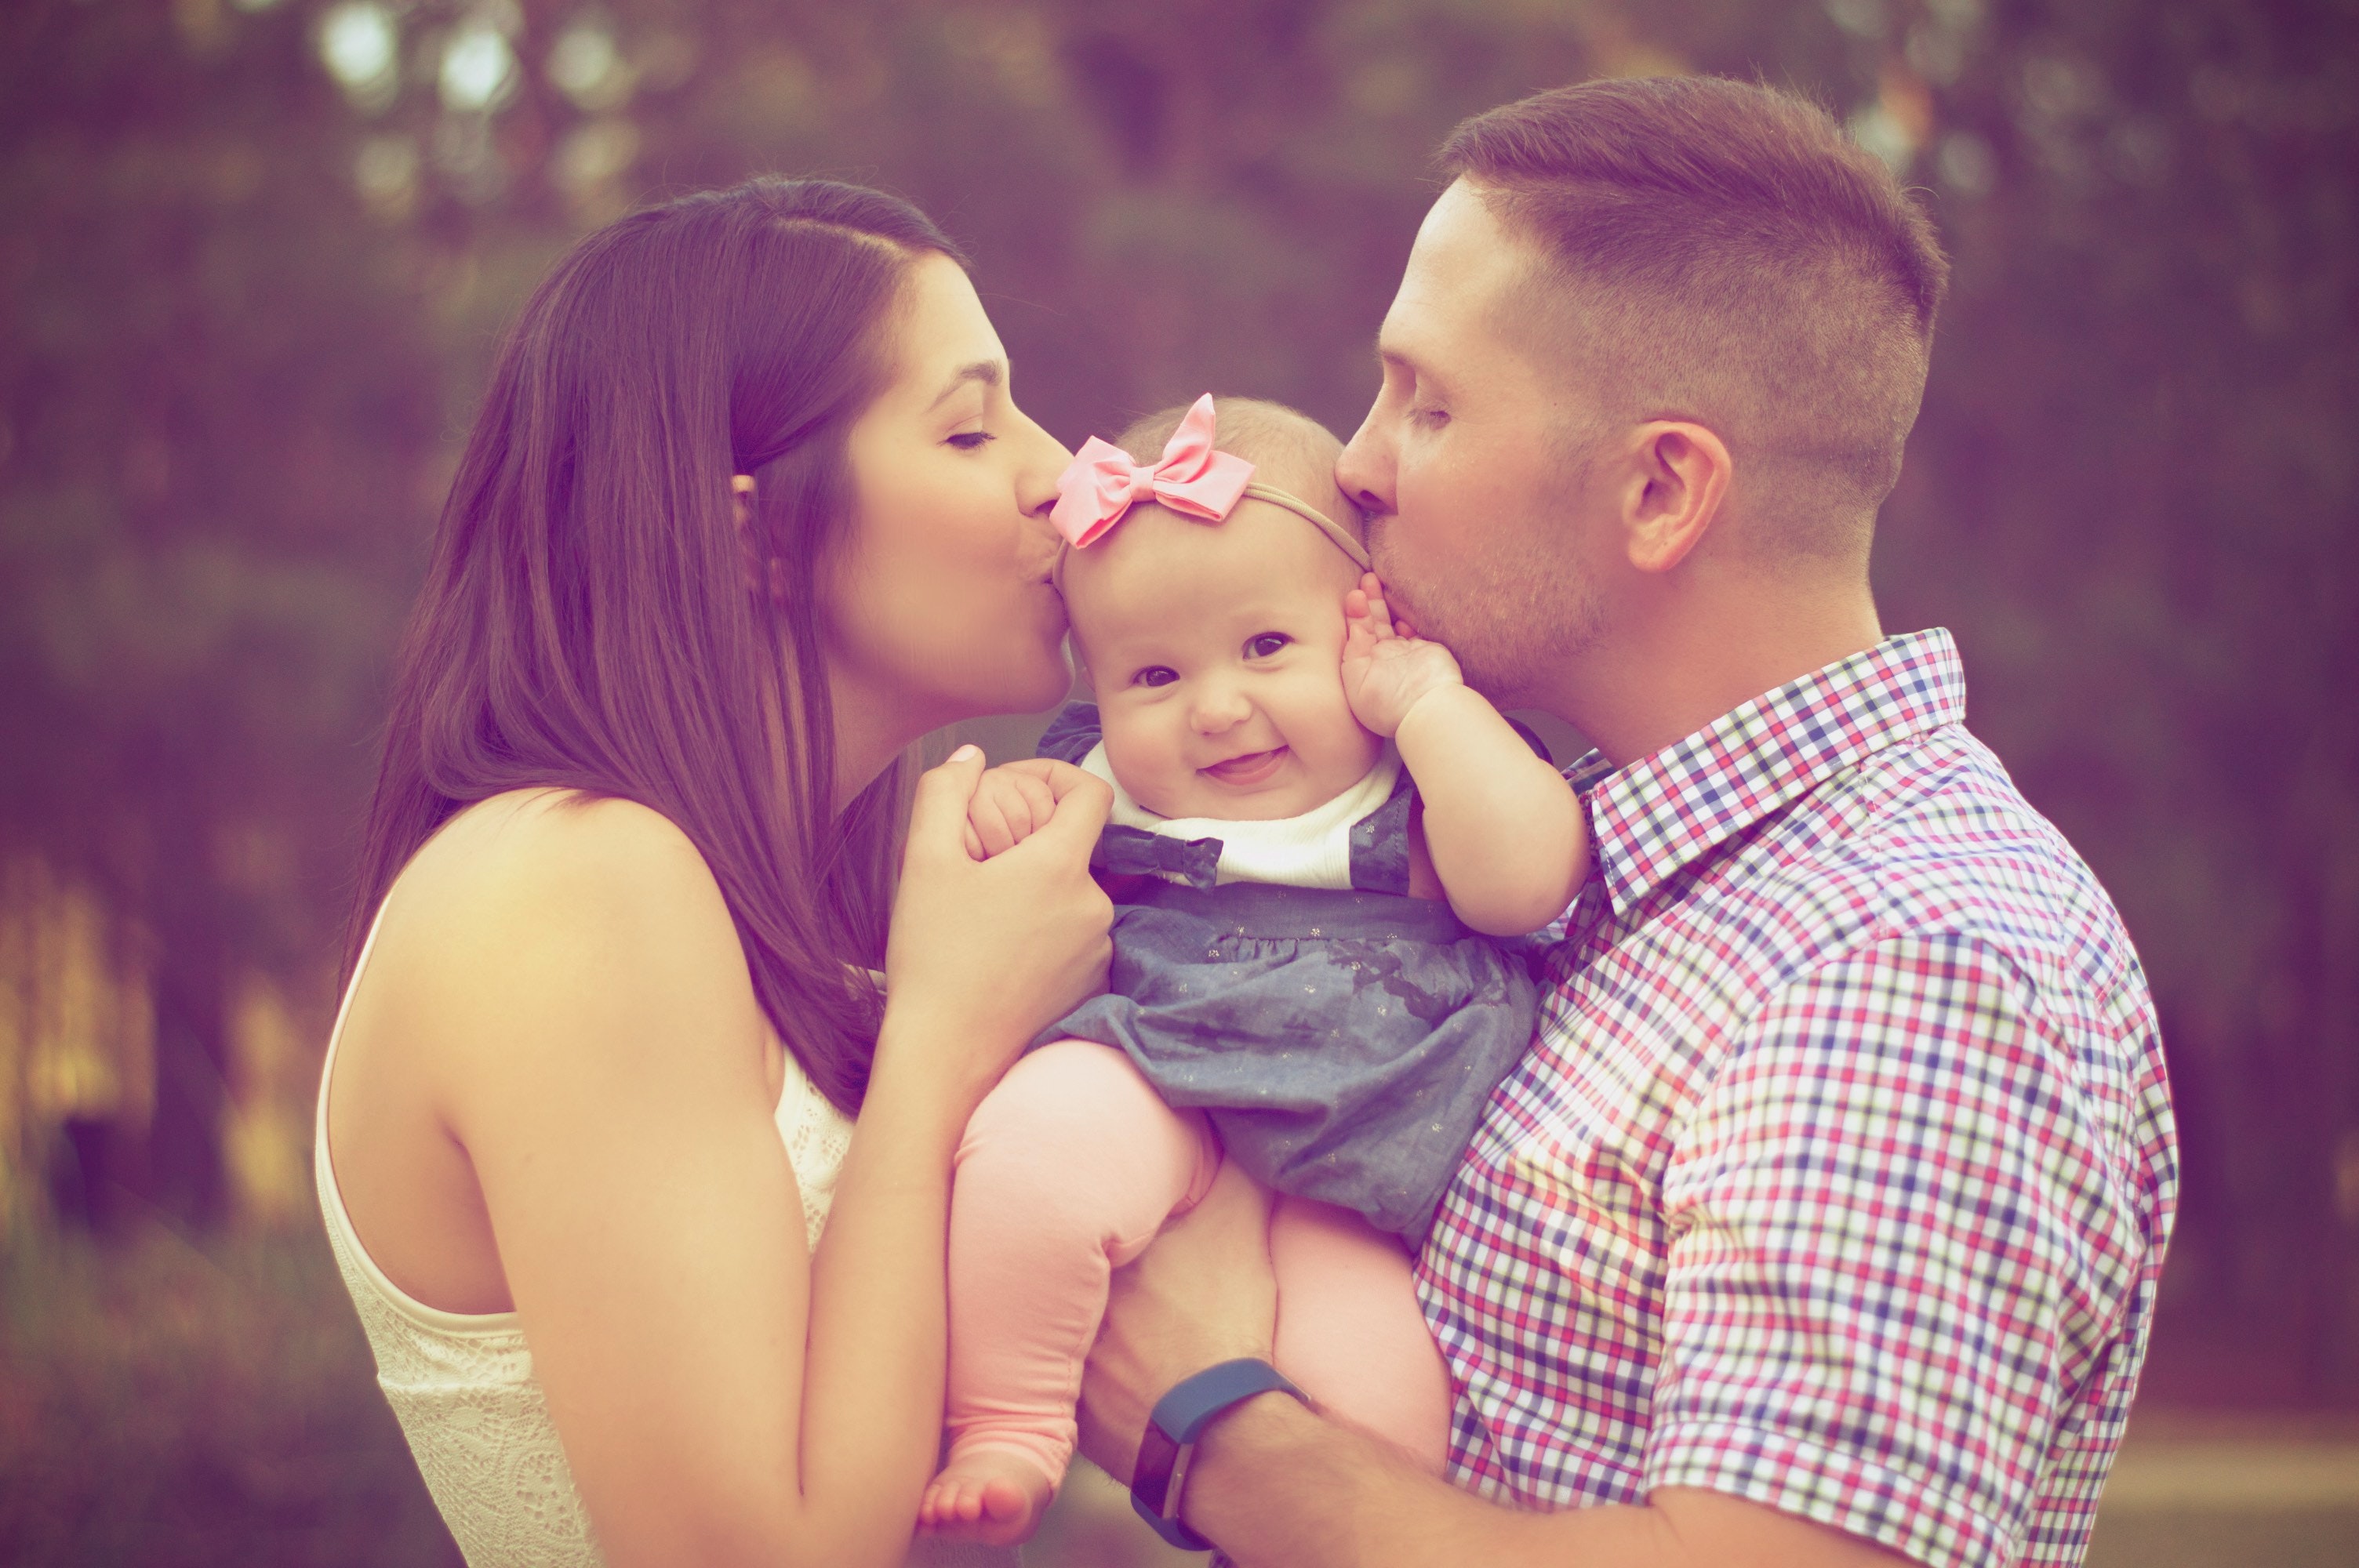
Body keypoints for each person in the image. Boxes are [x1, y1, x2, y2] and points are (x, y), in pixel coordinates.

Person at [1077, 76, 2179, 1568]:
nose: (1356, 464)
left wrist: (1215, 1429)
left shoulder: (1909, 956)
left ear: (1660, 488)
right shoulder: (1584, 860)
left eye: (1430, 402)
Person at [314, 178, 1114, 1568]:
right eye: (972, 427)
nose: (1062, 471)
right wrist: (940, 1036)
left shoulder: (774, 907)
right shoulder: (575, 884)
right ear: (756, 533)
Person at [917, 395, 1587, 1544]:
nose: (1219, 709)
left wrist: (1427, 703)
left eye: (1268, 648)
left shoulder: (1422, 763)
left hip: (1363, 1164)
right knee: (1029, 1162)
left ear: (1369, 623)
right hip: (1159, 1073)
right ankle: (1013, 1420)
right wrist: (1008, 811)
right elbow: (1017, 894)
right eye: (1154, 678)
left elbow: (1529, 883)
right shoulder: (1100, 783)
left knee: (1380, 1415)